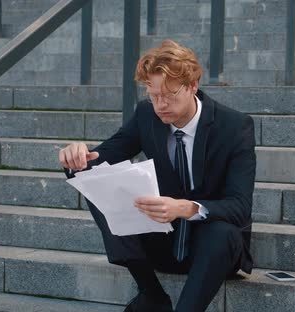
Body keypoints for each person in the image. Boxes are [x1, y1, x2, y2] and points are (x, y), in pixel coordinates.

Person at [59, 39, 256, 312]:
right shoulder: (146, 115)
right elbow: (100, 160)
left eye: (170, 95)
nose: (160, 105)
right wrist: (77, 157)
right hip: (162, 242)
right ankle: (151, 294)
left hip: (212, 248)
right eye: (154, 95)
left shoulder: (234, 126)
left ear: (192, 86)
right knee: (101, 189)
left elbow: (240, 207)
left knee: (221, 233)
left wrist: (184, 208)